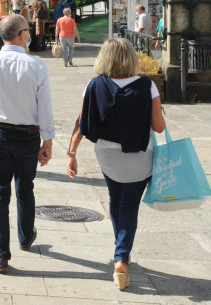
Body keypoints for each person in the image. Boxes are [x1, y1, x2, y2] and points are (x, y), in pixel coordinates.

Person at [66, 38, 166, 291]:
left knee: (115, 197)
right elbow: (159, 127)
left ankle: (120, 242)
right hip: (140, 155)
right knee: (129, 205)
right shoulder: (147, 86)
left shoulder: (94, 84)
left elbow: (81, 123)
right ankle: (121, 257)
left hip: (107, 155)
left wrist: (71, 153)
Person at [0, 14, 55, 273]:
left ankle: (1, 254)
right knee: (25, 187)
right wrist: (48, 140)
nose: (29, 34)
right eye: (27, 30)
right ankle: (26, 237)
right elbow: (45, 108)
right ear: (20, 34)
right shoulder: (37, 66)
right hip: (27, 134)